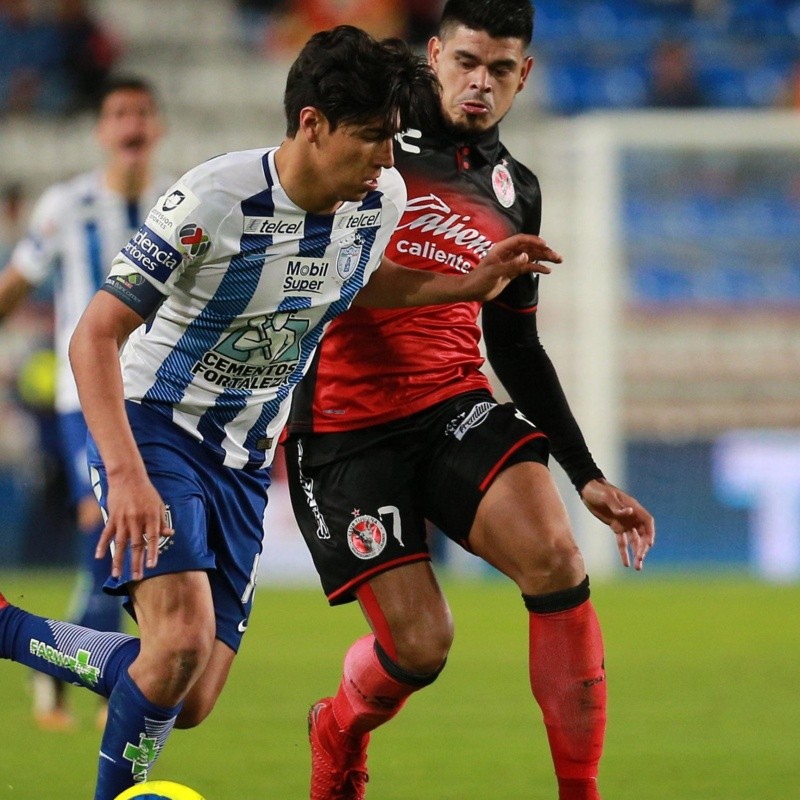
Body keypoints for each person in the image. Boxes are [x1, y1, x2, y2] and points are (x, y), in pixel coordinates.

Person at [0, 25, 559, 800]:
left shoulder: (378, 197)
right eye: (370, 138)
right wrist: (125, 473)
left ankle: (5, 627)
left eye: (392, 139)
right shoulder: (211, 200)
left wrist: (464, 284)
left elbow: (356, 282)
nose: (387, 160)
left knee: (186, 695)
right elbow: (94, 334)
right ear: (312, 125)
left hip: (245, 457)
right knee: (178, 644)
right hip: (154, 422)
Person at [283, 3, 656, 800]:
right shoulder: (371, 136)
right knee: (421, 646)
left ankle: (580, 791)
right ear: (433, 55)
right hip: (346, 428)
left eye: (498, 69)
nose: (478, 84)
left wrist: (586, 473)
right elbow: (324, 279)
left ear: (526, 75)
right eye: (464, 62)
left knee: (556, 557)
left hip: (452, 401)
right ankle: (338, 726)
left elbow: (513, 345)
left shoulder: (516, 190)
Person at [0, 75, 168, 731]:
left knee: (128, 547)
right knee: (107, 531)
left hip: (157, 401)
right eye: (119, 112)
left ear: (156, 128)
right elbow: (18, 282)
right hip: (83, 400)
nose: (131, 123)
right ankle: (85, 670)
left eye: (142, 111)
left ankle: (75, 664)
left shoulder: (175, 203)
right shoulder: (67, 206)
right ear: (102, 131)